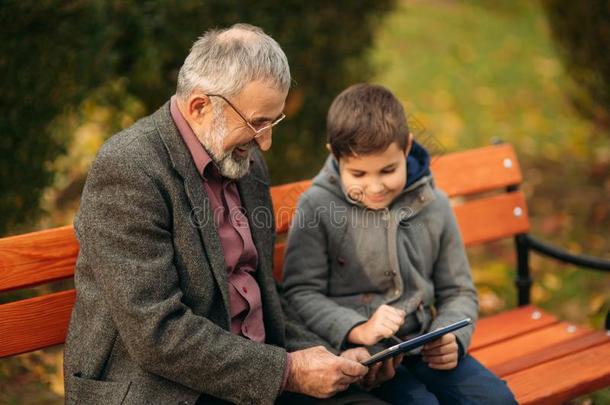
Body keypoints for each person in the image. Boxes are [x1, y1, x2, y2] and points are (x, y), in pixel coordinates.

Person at [63, 25, 397, 405]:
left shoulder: (245, 165)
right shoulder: (130, 169)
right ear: (200, 107)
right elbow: (157, 335)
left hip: (253, 373)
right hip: (163, 388)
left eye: (274, 122)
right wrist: (289, 372)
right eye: (257, 123)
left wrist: (332, 355)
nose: (265, 142)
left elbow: (262, 296)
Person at [282, 83, 517, 404]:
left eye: (388, 170)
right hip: (365, 360)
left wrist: (453, 336)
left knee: (496, 400)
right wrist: (358, 329)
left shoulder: (434, 204)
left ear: (407, 147)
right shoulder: (316, 207)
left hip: (426, 345)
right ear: (334, 156)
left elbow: (459, 290)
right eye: (359, 174)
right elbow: (300, 293)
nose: (375, 186)